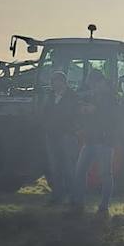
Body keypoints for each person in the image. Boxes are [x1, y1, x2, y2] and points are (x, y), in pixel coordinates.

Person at [70, 69, 117, 217]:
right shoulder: (92, 96)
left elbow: (111, 118)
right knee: (79, 172)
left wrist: (94, 110)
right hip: (90, 140)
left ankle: (103, 207)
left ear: (99, 82)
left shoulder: (111, 97)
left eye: (92, 83)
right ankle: (78, 203)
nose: (90, 86)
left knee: (105, 174)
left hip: (105, 141)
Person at [41, 71, 79, 204]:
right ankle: (57, 196)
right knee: (55, 167)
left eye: (58, 81)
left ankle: (73, 197)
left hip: (67, 135)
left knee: (69, 167)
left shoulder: (72, 97)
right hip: (52, 135)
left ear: (64, 82)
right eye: (53, 82)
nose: (55, 84)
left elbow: (73, 115)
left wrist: (69, 129)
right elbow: (45, 113)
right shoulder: (50, 96)